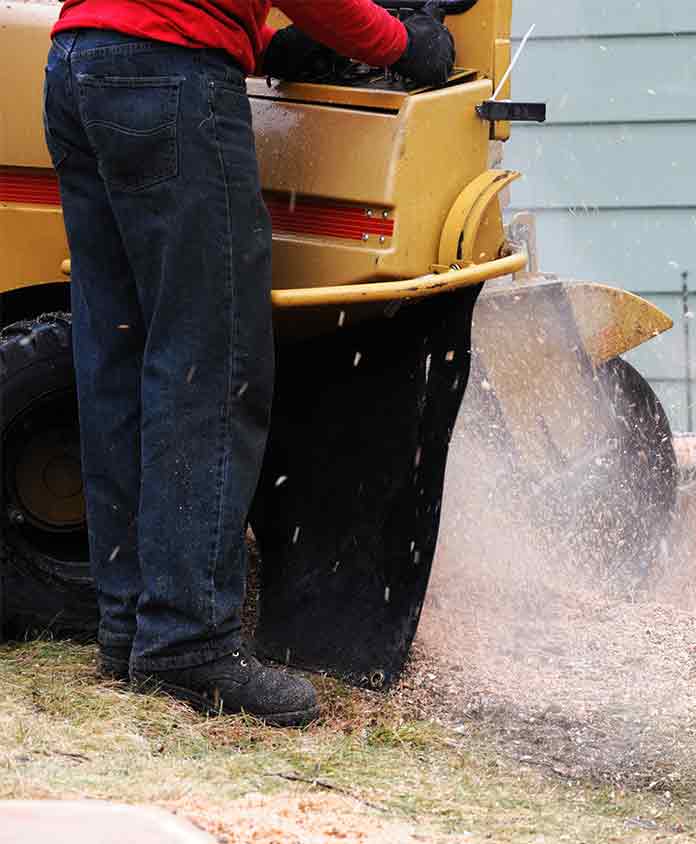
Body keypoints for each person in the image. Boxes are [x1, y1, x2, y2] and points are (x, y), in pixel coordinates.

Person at [42, 0, 454, 727]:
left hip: (81, 61)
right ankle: (186, 640)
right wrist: (400, 41)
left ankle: (130, 624)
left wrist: (262, 43)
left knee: (119, 349)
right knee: (208, 355)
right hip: (167, 78)